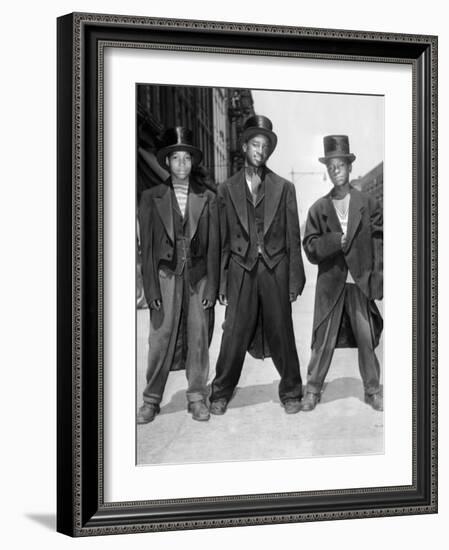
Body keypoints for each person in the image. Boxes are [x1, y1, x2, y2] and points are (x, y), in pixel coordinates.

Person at [209, 115, 306, 415]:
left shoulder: (284, 187)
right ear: (244, 146)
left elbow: (293, 236)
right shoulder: (226, 189)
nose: (260, 150)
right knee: (234, 332)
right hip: (241, 268)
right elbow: (223, 240)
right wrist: (222, 284)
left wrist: (294, 281)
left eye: (265, 146)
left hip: (275, 267)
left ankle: (291, 390)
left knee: (282, 329)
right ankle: (220, 392)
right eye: (255, 144)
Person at [136, 127, 219, 423]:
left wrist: (212, 288)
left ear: (192, 163)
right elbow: (146, 248)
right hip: (165, 276)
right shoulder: (150, 197)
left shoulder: (207, 197)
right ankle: (151, 399)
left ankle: (197, 396)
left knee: (198, 337)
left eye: (187, 158)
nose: (182, 164)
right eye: (176, 158)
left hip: (198, 277)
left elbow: (214, 246)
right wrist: (151, 289)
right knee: (160, 338)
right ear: (167, 162)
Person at [301, 135, 384, 412]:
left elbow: (379, 240)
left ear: (349, 167)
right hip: (331, 283)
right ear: (327, 171)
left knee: (365, 337)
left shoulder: (368, 203)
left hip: (358, 281)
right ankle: (312, 389)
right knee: (323, 340)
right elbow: (310, 247)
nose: (336, 170)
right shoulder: (319, 208)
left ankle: (373, 390)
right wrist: (333, 241)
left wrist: (377, 277)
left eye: (341, 165)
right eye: (331, 166)